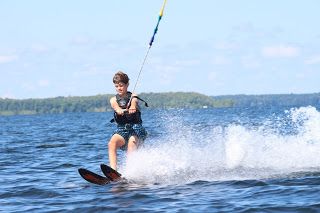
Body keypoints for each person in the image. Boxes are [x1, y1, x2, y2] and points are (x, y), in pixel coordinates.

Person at [108, 71, 148, 170]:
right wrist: (119, 110)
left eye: (121, 85)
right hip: (121, 130)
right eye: (116, 86)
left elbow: (134, 101)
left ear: (127, 85)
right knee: (112, 143)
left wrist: (133, 107)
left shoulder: (133, 96)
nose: (119, 88)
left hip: (136, 130)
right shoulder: (113, 99)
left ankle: (130, 170)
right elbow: (115, 107)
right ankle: (113, 171)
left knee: (131, 144)